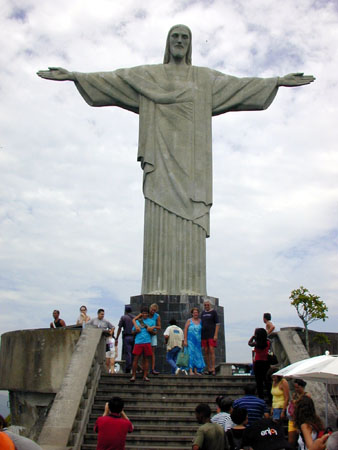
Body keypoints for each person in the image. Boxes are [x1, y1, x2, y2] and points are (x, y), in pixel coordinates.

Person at [37, 25, 314, 297]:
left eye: (184, 37)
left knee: (191, 220)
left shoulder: (205, 79)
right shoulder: (149, 76)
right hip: (159, 158)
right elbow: (114, 80)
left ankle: (193, 290)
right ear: (168, 43)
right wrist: (74, 76)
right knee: (159, 218)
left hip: (193, 165)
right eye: (175, 37)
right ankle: (154, 288)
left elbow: (240, 86)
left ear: (190, 44)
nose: (179, 41)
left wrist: (276, 81)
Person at [130, 306, 154, 382]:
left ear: (148, 314)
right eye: (143, 313)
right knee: (135, 359)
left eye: (146, 313)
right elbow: (132, 332)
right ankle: (133, 375)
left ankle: (145, 375)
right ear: (141, 314)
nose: (144, 315)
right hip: (138, 342)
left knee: (146, 359)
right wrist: (136, 331)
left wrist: (150, 330)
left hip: (147, 341)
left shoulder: (151, 322)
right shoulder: (137, 322)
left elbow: (155, 332)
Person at [248, 328, 272, 402]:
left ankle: (261, 398)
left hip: (258, 363)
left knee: (259, 382)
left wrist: (253, 337)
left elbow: (249, 343)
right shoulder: (268, 342)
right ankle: (270, 398)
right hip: (266, 363)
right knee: (267, 381)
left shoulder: (256, 343)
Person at [287, 378, 310, 448]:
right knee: (291, 442)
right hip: (293, 419)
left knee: (302, 440)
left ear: (302, 387)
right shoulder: (295, 395)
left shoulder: (306, 395)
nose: (296, 389)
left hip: (302, 420)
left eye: (298, 387)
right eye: (295, 387)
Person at [184, 307, 205, 375]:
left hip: (198, 341)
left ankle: (195, 370)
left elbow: (202, 331)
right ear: (192, 314)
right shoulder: (189, 321)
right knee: (191, 354)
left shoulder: (200, 321)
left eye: (197, 312)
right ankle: (190, 370)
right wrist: (185, 340)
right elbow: (185, 330)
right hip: (190, 340)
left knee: (197, 355)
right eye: (194, 313)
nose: (195, 314)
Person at [201, 300, 220, 376]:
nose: (206, 306)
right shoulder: (203, 313)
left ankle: (213, 369)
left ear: (210, 305)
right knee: (206, 351)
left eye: (207, 305)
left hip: (211, 334)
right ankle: (209, 369)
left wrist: (215, 334)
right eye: (205, 305)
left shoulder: (214, 312)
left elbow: (217, 324)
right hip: (204, 334)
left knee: (211, 350)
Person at [115, 306, 135, 374]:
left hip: (127, 337)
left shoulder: (124, 317)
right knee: (133, 353)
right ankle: (133, 367)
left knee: (128, 352)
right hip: (134, 337)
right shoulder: (134, 318)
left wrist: (117, 337)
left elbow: (120, 328)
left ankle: (128, 367)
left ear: (126, 311)